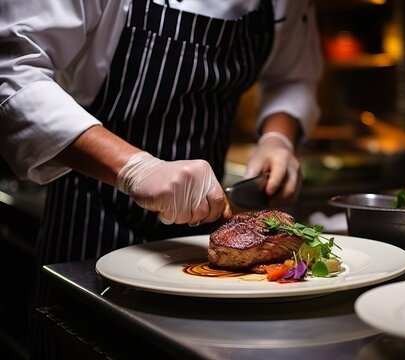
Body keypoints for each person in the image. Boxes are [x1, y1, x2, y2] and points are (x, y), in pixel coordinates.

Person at [0, 0, 322, 356]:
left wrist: (277, 137)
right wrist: (135, 167)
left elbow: (292, 76)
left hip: (209, 228)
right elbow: (11, 73)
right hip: (92, 218)